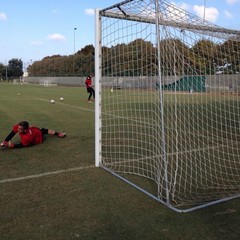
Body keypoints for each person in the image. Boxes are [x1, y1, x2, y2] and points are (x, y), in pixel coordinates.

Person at [0, 121, 66, 149]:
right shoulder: (19, 127)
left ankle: (58, 134)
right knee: (43, 130)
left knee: (43, 131)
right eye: (18, 128)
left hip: (38, 138)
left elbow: (22, 145)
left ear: (25, 130)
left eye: (20, 129)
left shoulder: (27, 137)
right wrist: (5, 141)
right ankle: (58, 133)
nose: (18, 129)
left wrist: (11, 145)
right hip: (35, 129)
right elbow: (12, 133)